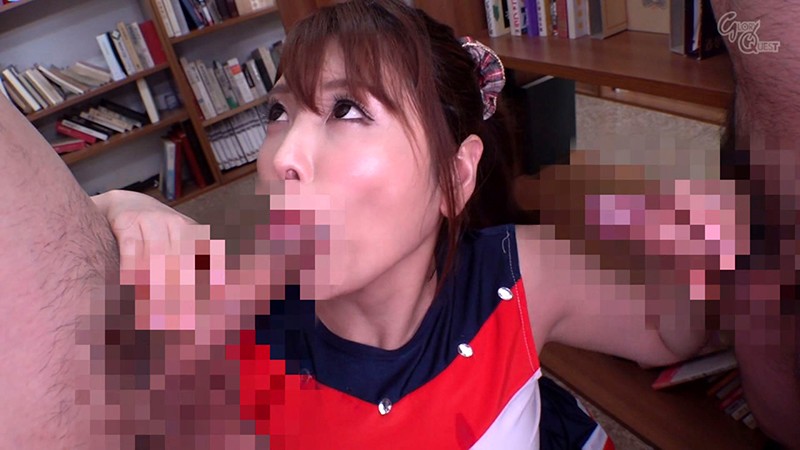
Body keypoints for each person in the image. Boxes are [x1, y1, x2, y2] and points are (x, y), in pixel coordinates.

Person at [0, 1, 795, 449]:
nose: (280, 157)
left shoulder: (517, 273)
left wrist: (722, 250)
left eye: (347, 109)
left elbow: (669, 331)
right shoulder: (241, 331)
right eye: (279, 112)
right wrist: (113, 215)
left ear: (456, 176)